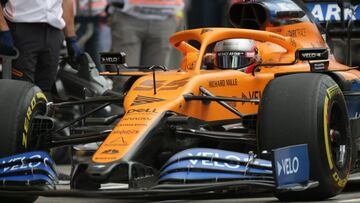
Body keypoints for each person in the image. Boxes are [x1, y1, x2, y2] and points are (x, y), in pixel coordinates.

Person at [0, 0, 81, 97]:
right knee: (22, 91)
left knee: (46, 90)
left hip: (53, 31)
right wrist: (3, 28)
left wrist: (71, 37)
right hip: (22, 29)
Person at [107, 0, 184, 92]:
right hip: (126, 16)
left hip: (165, 18)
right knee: (123, 80)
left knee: (155, 82)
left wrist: (179, 13)